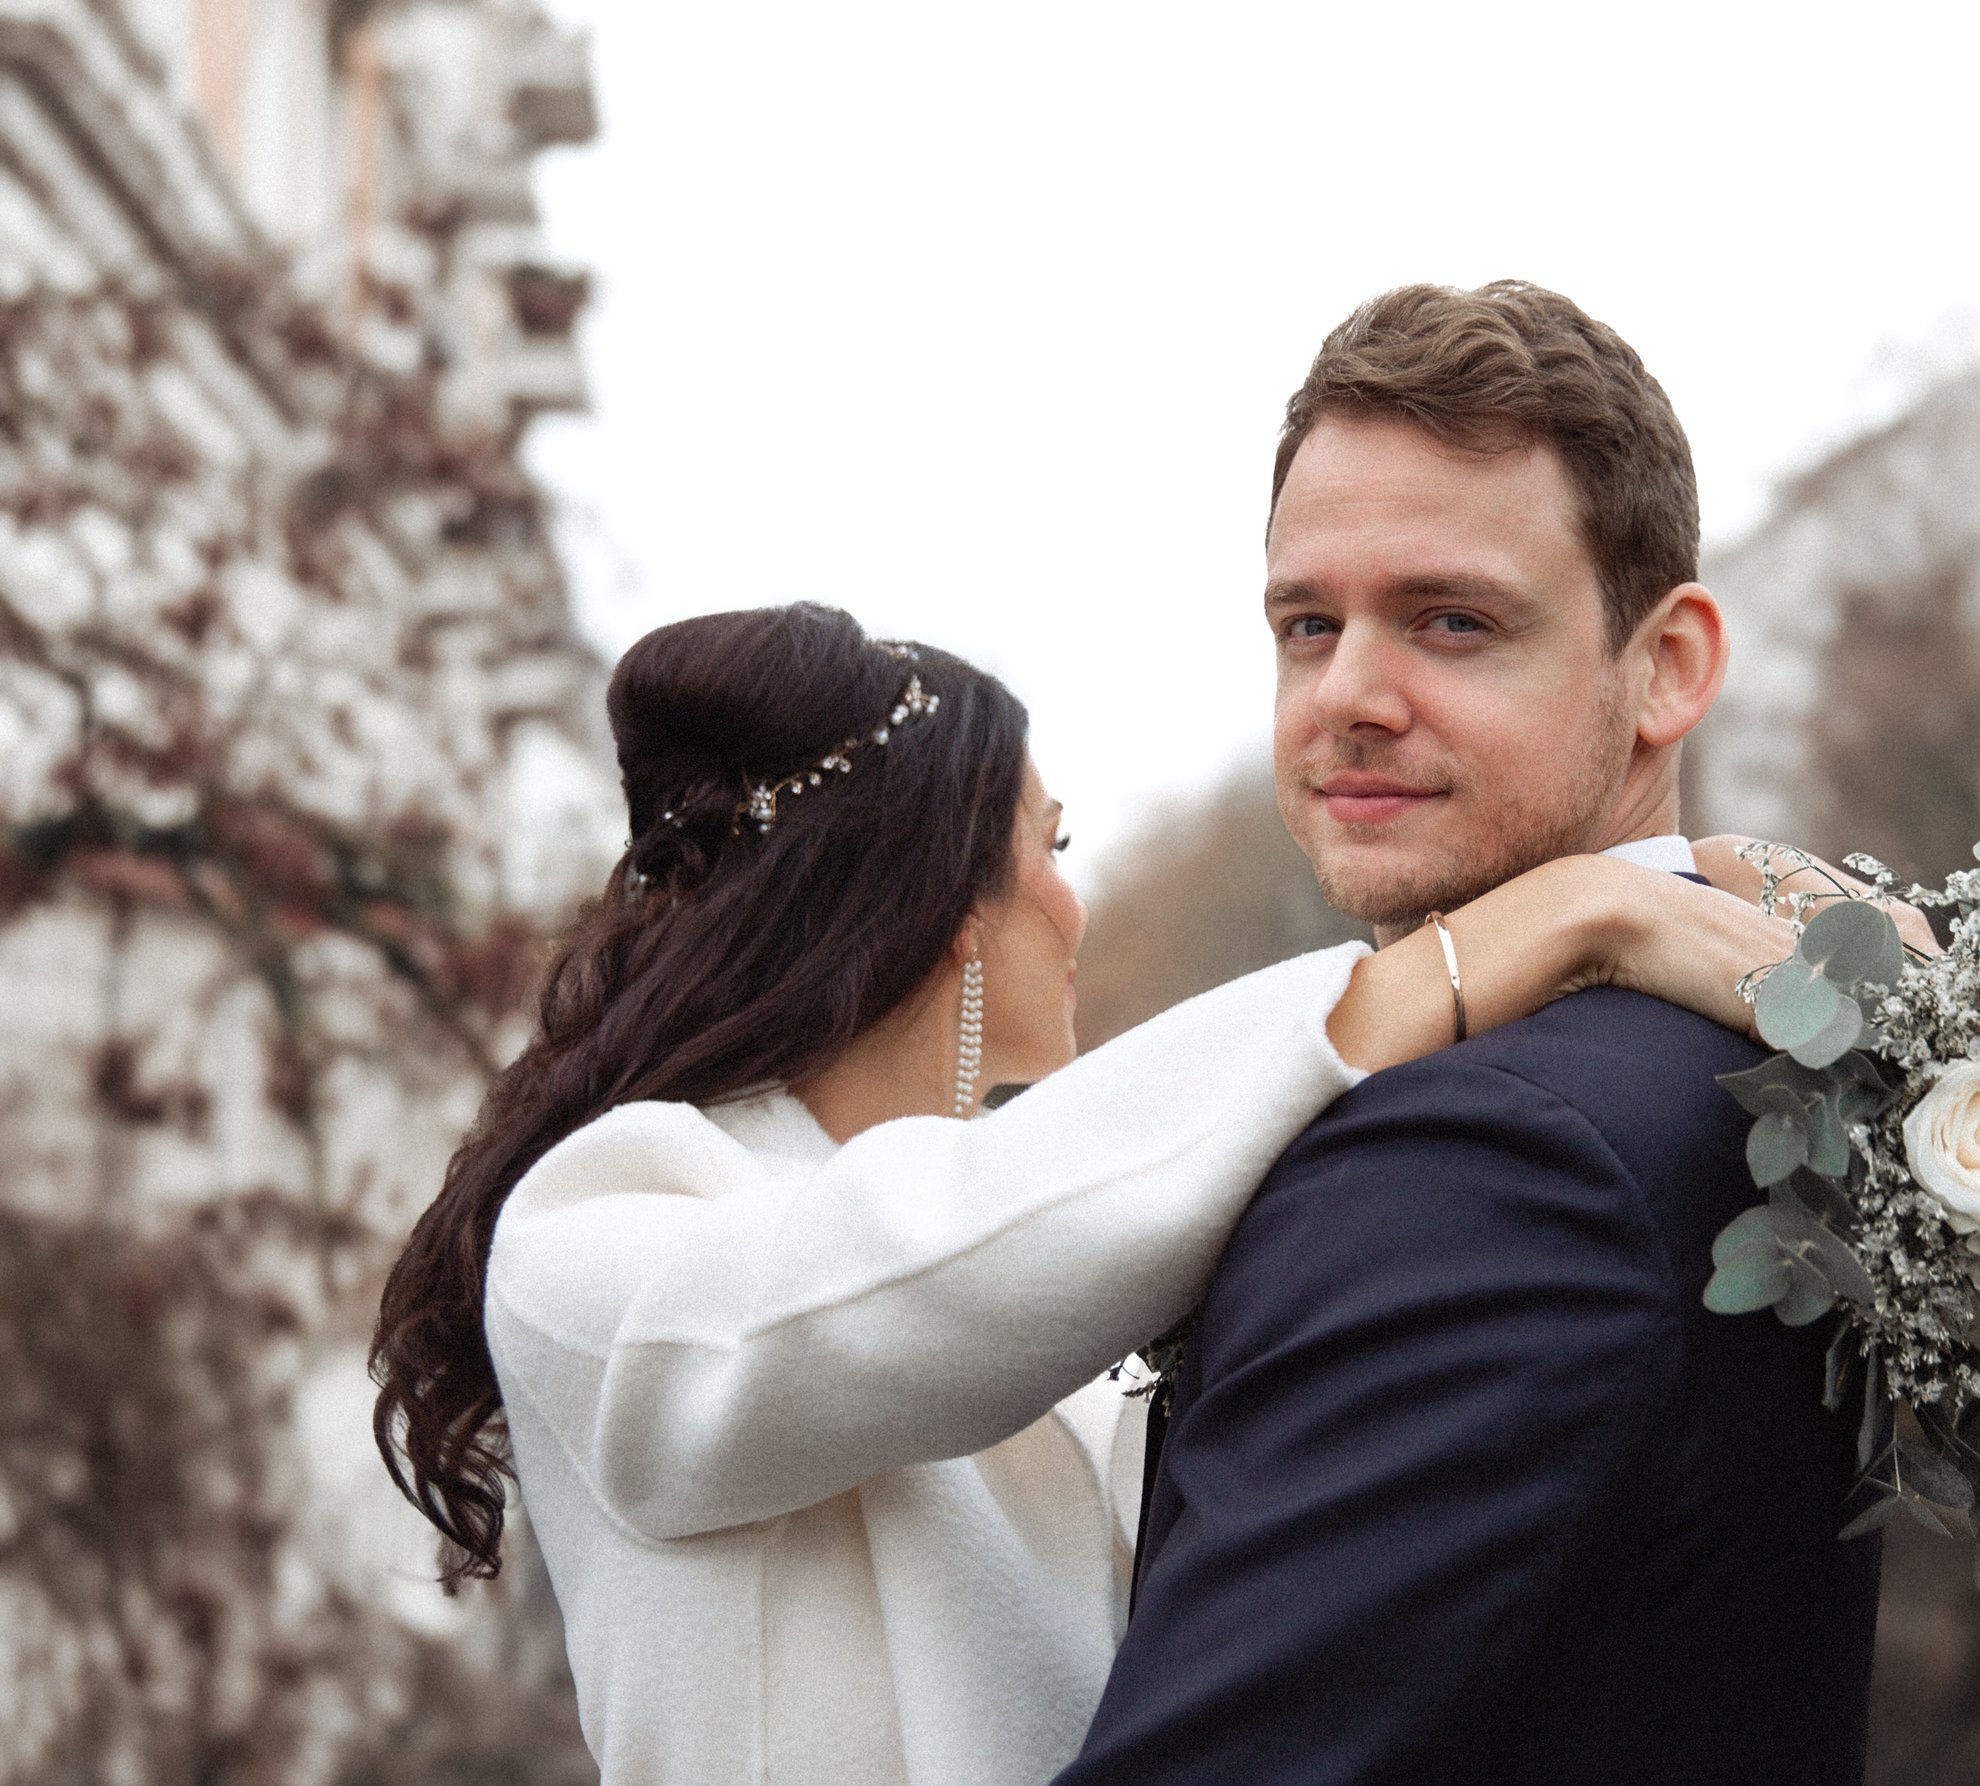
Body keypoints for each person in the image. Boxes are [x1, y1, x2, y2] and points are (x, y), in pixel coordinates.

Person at [368, 600, 1826, 1786]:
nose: (1078, 901)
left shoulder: (1033, 1254)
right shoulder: (598, 1233)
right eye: (1049, 848)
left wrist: (1667, 876)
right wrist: (1560, 917)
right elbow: (933, 1263)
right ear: (947, 918)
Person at [1054, 281, 1891, 1786]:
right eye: (1308, 626)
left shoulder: (1494, 1160)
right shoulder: (1745, 1078)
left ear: (1671, 666)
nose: (1350, 696)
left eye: (1452, 621)